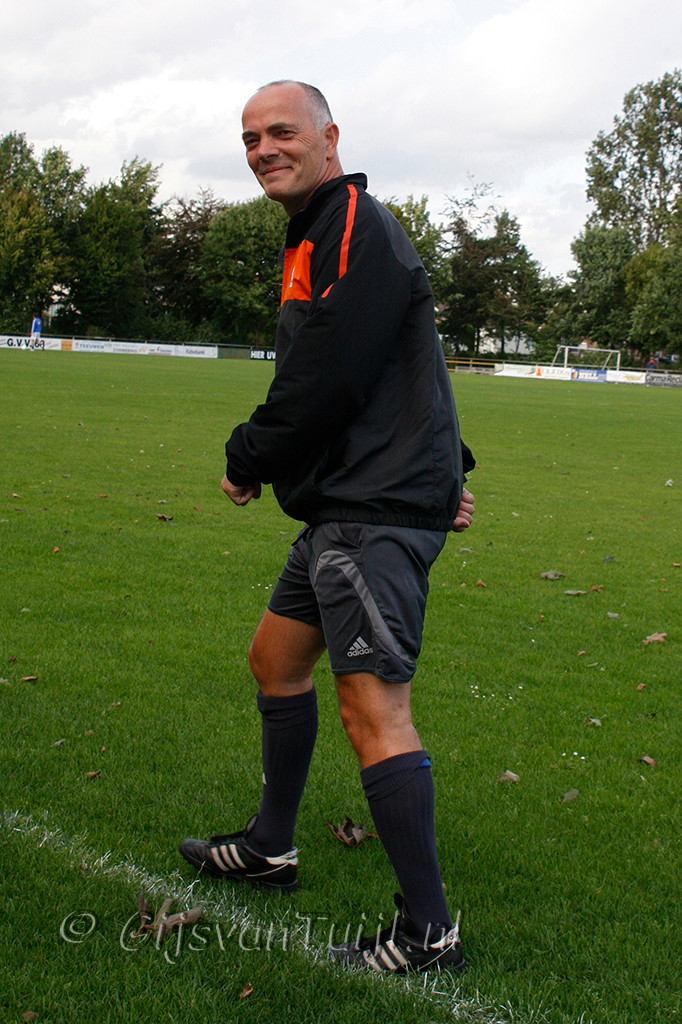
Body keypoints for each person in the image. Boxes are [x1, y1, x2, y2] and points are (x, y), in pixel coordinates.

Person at [180, 80, 475, 974]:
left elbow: (334, 367)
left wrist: (248, 454)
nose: (263, 149)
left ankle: (428, 935)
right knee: (274, 661)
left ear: (328, 137)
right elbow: (398, 360)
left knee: (372, 708)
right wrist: (446, 473)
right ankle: (270, 847)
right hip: (350, 505)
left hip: (367, 513)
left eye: (281, 132)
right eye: (249, 139)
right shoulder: (316, 230)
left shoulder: (350, 220)